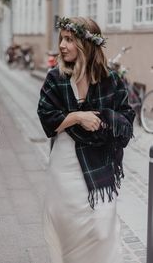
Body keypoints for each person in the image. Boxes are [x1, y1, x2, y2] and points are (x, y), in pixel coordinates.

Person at [37, 16, 135, 263]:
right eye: (62, 39)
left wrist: (103, 118)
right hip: (64, 165)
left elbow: (126, 118)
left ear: (86, 44)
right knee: (68, 228)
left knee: (102, 228)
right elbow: (48, 120)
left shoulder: (110, 79)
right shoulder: (55, 78)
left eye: (69, 40)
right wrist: (78, 117)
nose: (62, 45)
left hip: (99, 164)